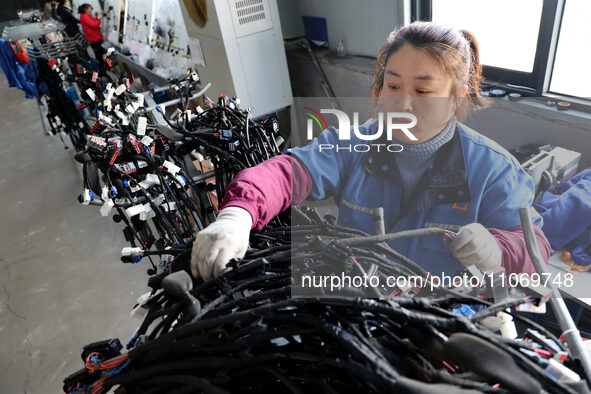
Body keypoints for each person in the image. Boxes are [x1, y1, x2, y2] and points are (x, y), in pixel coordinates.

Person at [190, 21, 551, 282]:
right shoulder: (354, 144)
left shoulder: (493, 170)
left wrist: (499, 249)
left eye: (423, 91)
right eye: (393, 85)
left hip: (442, 326)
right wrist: (238, 215)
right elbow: (287, 173)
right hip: (358, 305)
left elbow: (535, 250)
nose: (402, 104)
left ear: (456, 96)